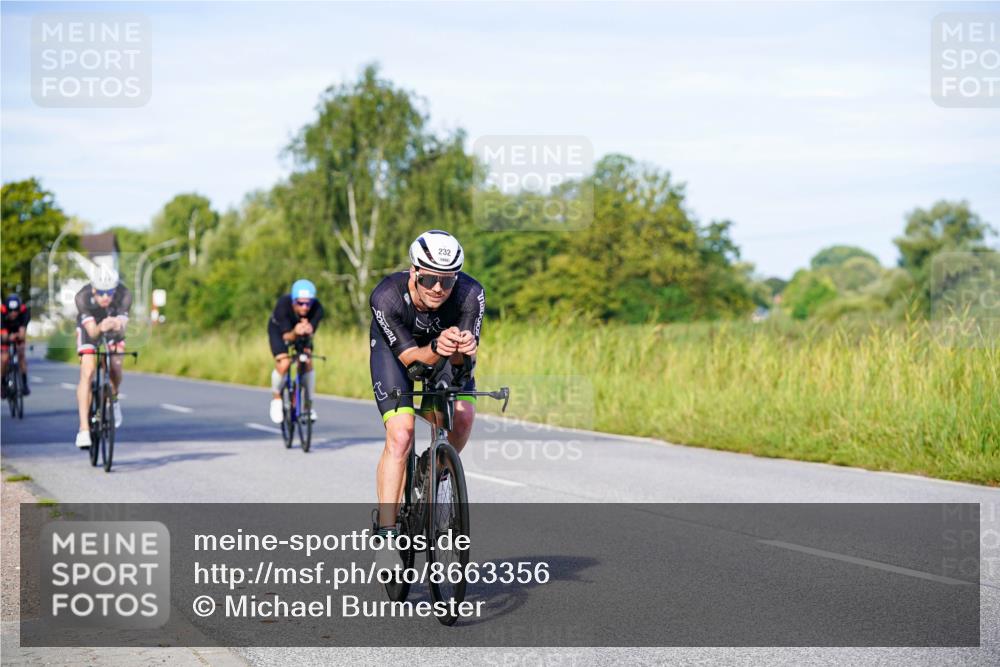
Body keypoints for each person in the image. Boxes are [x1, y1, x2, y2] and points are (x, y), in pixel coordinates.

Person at [369, 230, 485, 537]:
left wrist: (460, 352)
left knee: (463, 417)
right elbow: (413, 362)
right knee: (401, 434)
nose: (438, 288)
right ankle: (387, 530)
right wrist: (436, 347)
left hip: (443, 353)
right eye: (429, 279)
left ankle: (432, 473)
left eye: (447, 281)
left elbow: (461, 370)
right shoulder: (386, 296)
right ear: (414, 272)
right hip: (398, 354)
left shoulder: (471, 294)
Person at [74, 265, 132, 449]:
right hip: (90, 329)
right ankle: (84, 429)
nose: (105, 297)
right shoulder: (82, 297)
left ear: (115, 289)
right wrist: (103, 326)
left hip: (112, 327)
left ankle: (113, 399)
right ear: (93, 290)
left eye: (109, 292)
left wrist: (116, 324)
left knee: (115, 365)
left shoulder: (124, 294)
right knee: (88, 370)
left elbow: (123, 327)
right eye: (100, 292)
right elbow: (92, 332)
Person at [267, 279, 324, 424]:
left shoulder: (317, 308)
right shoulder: (283, 305)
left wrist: (308, 330)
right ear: (293, 301)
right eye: (300, 303)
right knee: (285, 362)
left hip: (301, 333)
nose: (305, 307)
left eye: (308, 303)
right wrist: (296, 331)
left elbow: (311, 332)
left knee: (307, 361)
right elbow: (287, 336)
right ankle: (276, 398)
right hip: (280, 331)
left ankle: (307, 405)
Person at [1, 293, 31, 398]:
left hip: (17, 330)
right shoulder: (2, 313)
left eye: (15, 311)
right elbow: (4, 336)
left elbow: (22, 332)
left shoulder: (24, 312)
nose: (13, 313)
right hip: (5, 332)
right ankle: (2, 383)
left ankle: (24, 383)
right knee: (4, 358)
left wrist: (19, 335)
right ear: (6, 310)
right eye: (11, 311)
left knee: (21, 354)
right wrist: (9, 337)